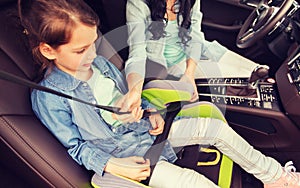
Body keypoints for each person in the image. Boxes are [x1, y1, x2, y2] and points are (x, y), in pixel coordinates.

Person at [20, 0, 300, 187]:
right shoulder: (50, 97)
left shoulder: (102, 65)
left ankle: (275, 177)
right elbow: (77, 148)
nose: (92, 54)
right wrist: (115, 166)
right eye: (81, 50)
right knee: (197, 184)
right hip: (128, 157)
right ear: (48, 50)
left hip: (146, 134)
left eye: (94, 44)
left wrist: (150, 112)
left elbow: (133, 100)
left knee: (215, 128)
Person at [124, 0, 270, 107]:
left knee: (255, 70)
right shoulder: (138, 4)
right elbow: (136, 52)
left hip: (196, 50)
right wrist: (135, 91)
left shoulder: (190, 1)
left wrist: (190, 73)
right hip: (168, 64)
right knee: (243, 77)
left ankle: (260, 78)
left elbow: (195, 36)